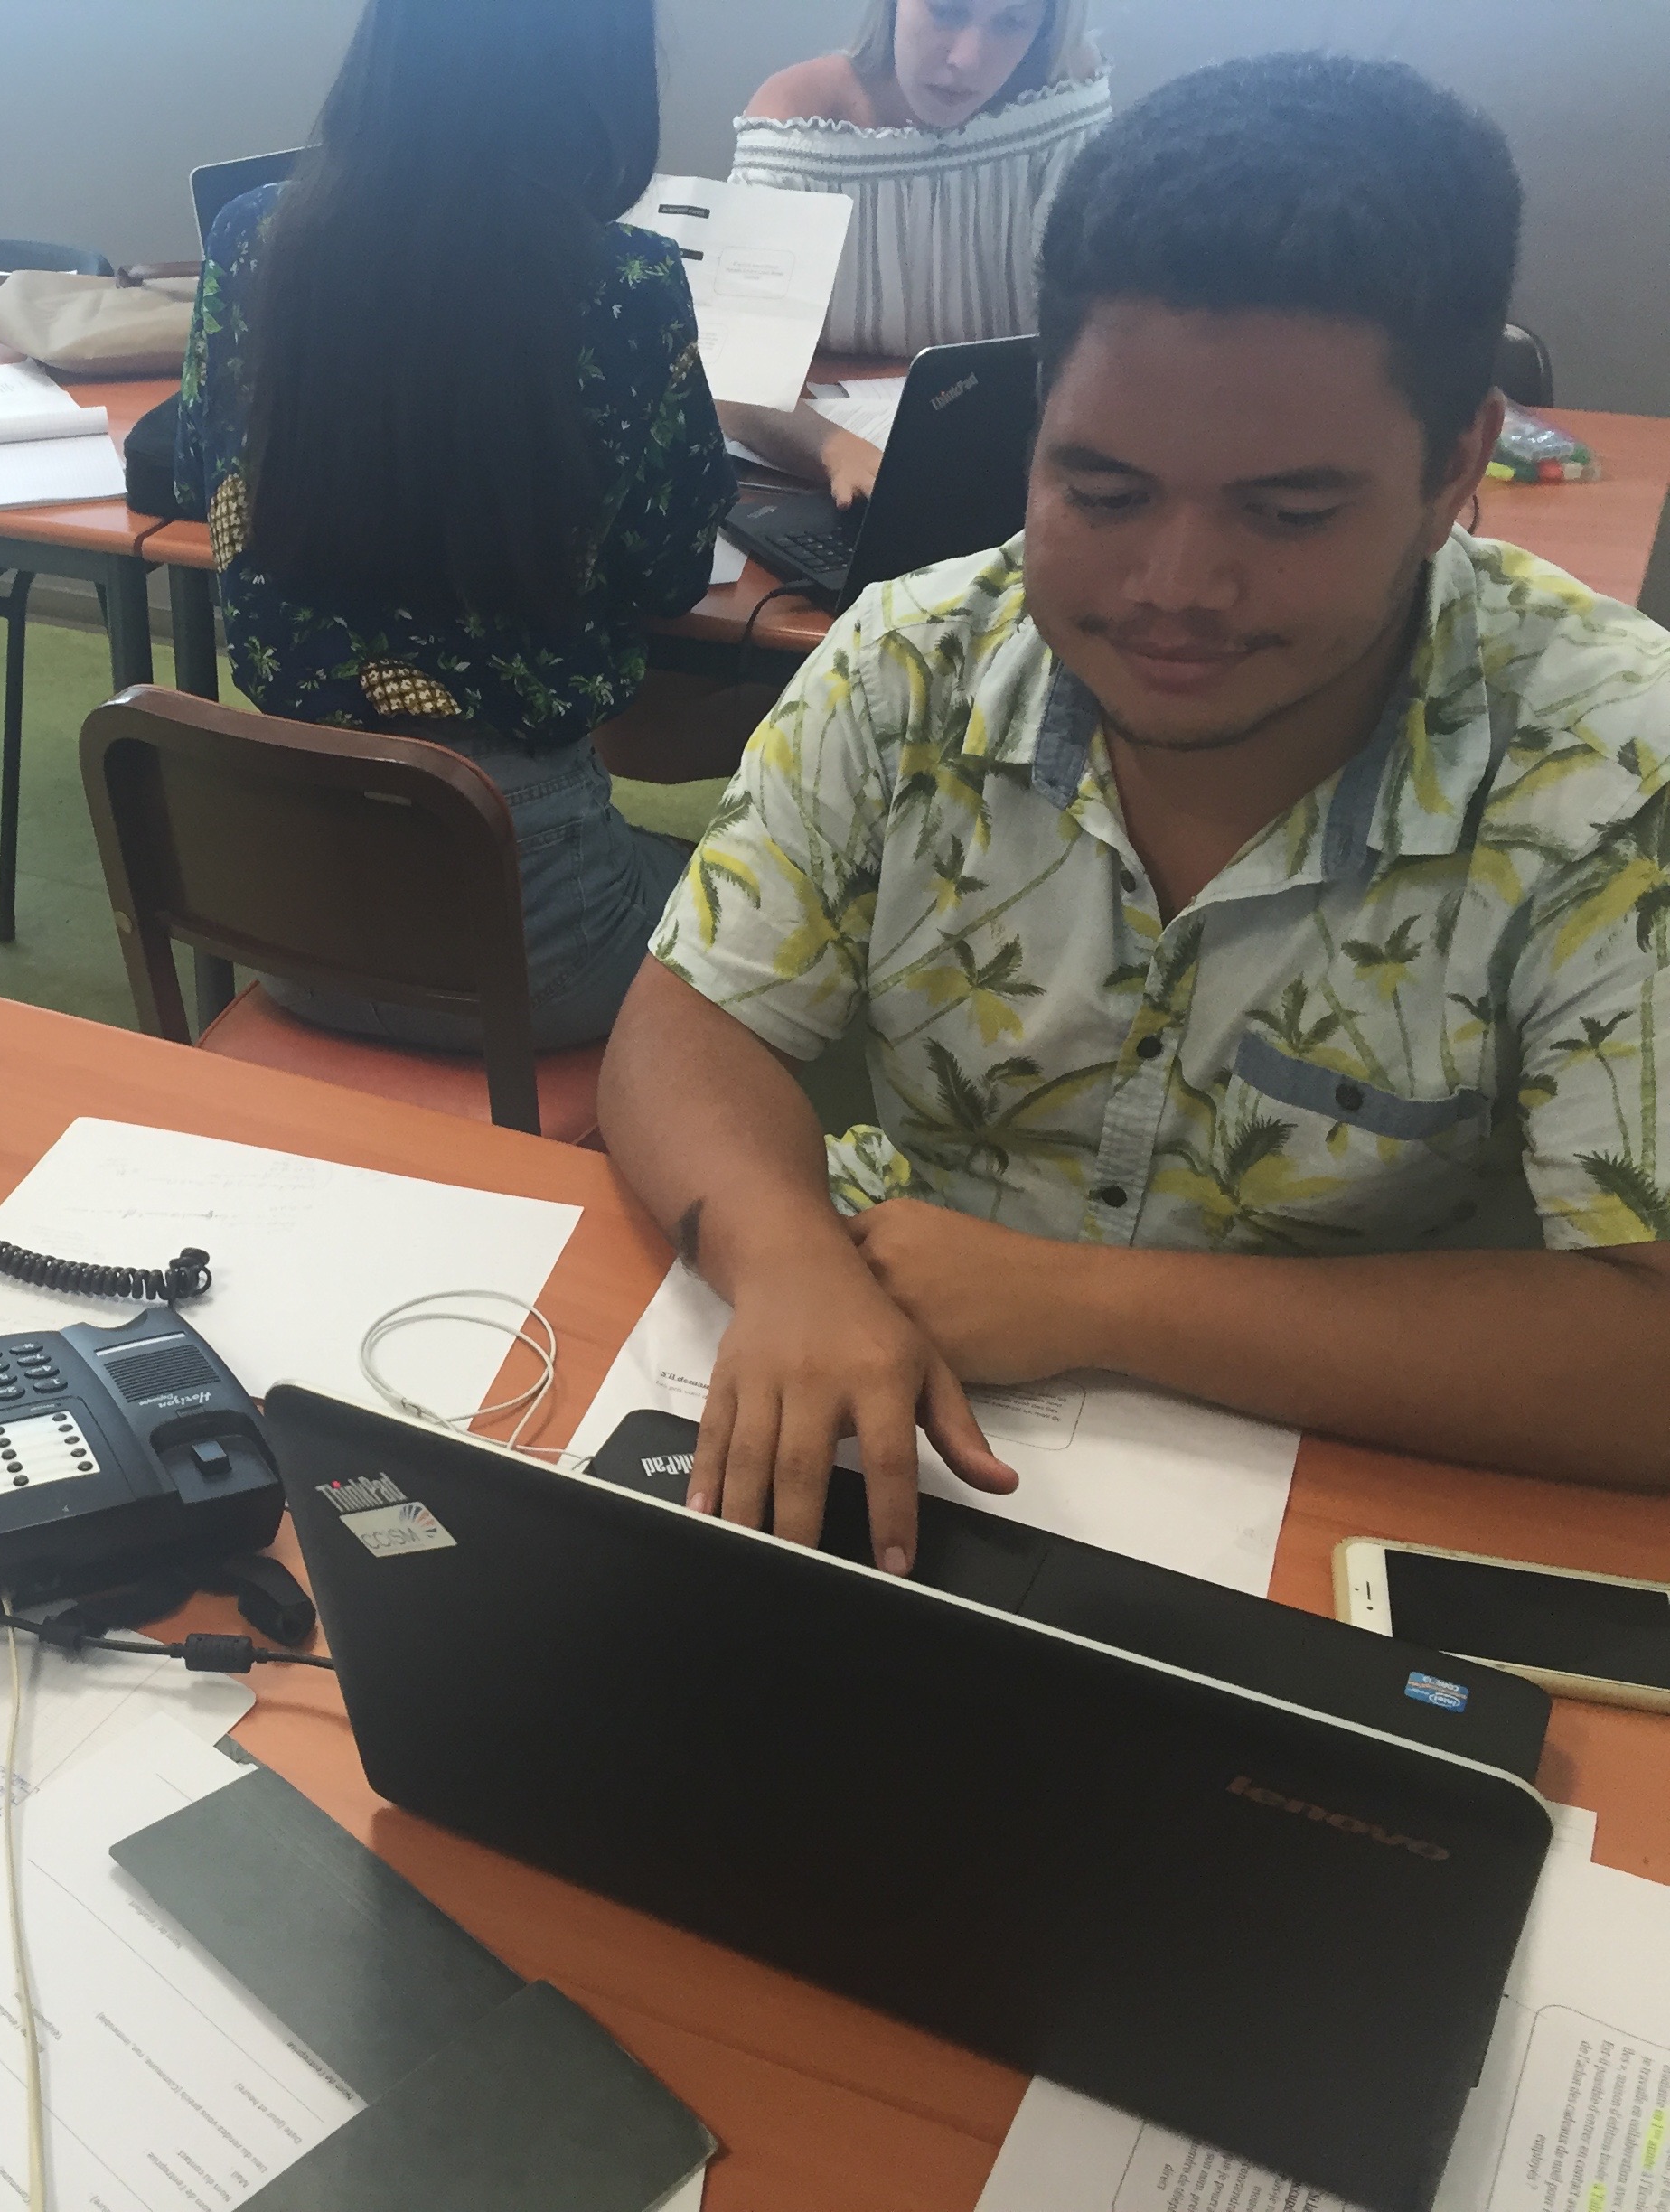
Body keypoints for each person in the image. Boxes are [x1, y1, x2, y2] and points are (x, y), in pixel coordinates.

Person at [599, 54, 1670, 1578]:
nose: (1170, 586)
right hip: (916, 1463)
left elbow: (1647, 1355)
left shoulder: (1615, 767)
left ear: (1449, 466)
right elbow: (686, 1016)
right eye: (1098, 491)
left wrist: (1085, 1300)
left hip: (1348, 1516)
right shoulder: (913, 656)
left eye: (1281, 513)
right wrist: (778, 1256)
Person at [175, 0, 738, 1051]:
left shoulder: (252, 238)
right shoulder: (630, 285)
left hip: (290, 921)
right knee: (784, 939)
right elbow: (669, 574)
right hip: (535, 938)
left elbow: (194, 469)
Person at [723, 0, 1107, 507]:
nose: (966, 59)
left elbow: (1100, 326)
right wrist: (835, 450)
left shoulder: (1064, 92)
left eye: (1011, 23)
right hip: (827, 464)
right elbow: (733, 372)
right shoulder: (798, 113)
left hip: (1014, 464)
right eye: (946, 10)